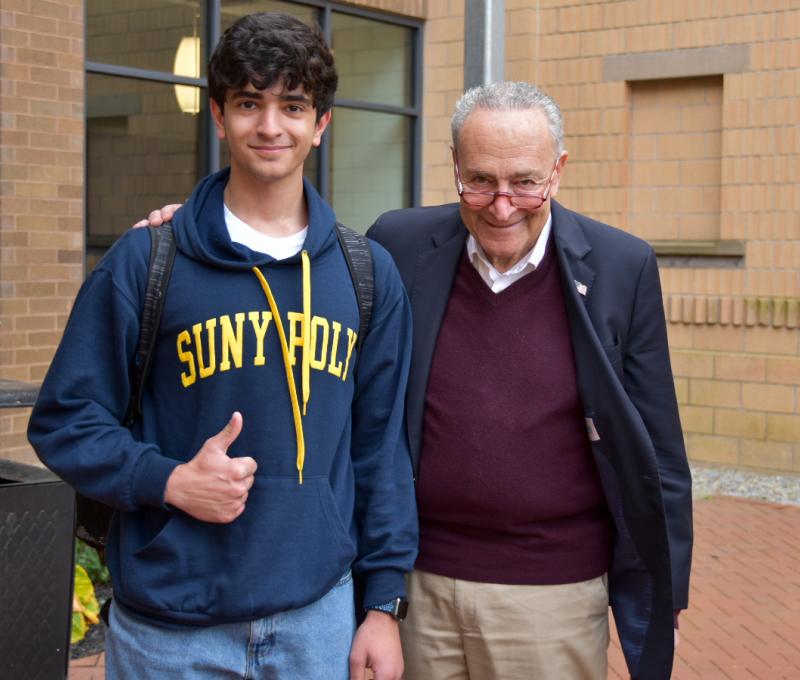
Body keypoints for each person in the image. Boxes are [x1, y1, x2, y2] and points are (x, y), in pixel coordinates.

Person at [141, 81, 693, 680]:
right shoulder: (397, 246)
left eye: (525, 183)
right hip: (415, 591)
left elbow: (657, 447)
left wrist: (667, 584)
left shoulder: (621, 266)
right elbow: (299, 260)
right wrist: (195, 228)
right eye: (480, 180)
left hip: (552, 595)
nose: (502, 205)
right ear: (454, 166)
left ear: (557, 171)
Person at [28, 13, 417, 680]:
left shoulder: (366, 274)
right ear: (218, 115)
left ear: (321, 123)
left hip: (316, 618)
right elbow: (66, 420)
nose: (270, 127)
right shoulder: (149, 261)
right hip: (171, 629)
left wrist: (382, 602)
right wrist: (172, 480)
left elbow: (380, 449)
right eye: (248, 104)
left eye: (292, 106)